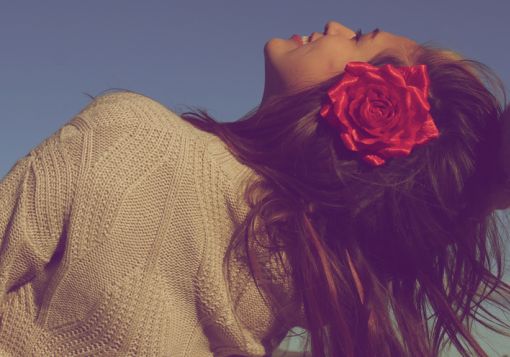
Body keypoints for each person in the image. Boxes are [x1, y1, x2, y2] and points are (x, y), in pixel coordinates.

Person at [0, 19, 508, 357]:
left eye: (359, 39)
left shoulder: (132, 136)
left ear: (365, 103)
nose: (335, 25)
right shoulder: (302, 284)